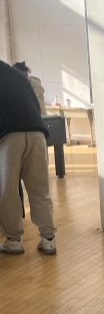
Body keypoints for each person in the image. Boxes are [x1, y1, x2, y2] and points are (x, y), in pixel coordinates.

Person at [0, 60, 57, 255]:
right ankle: (48, 239)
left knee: (8, 190)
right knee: (40, 189)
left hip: (10, 135)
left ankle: (14, 240)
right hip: (37, 132)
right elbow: (37, 106)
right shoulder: (18, 75)